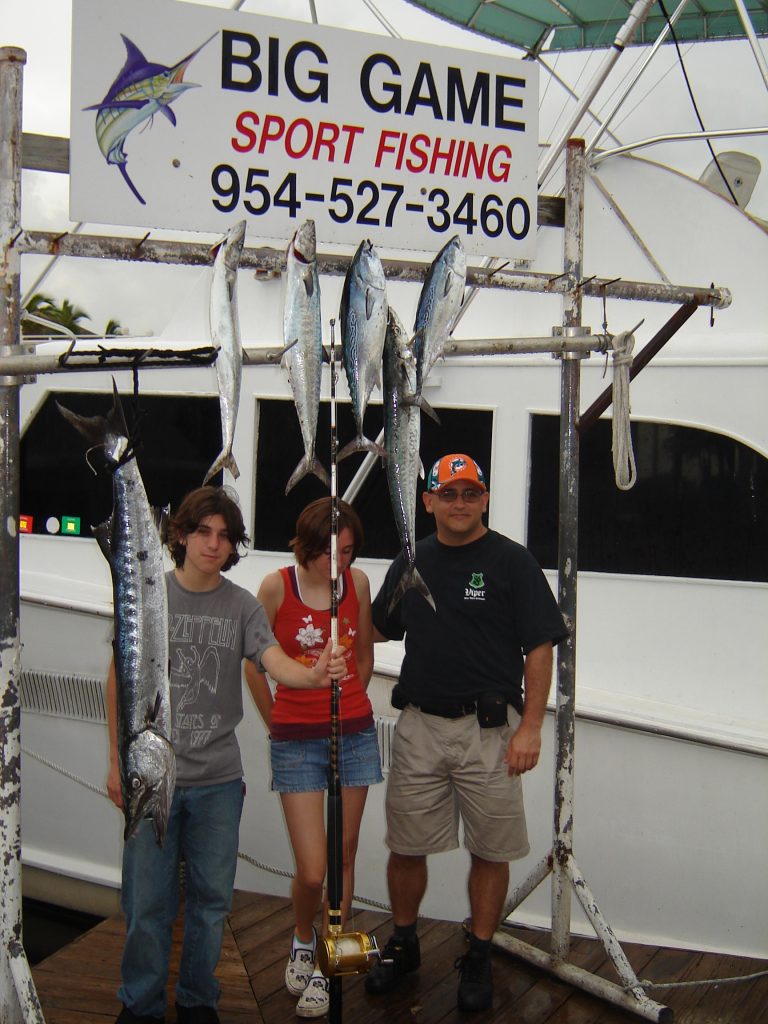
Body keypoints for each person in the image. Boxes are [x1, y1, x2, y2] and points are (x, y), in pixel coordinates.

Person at [107, 486, 346, 1024]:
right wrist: (114, 761)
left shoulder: (241, 605)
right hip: (151, 778)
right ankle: (140, 1005)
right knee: (146, 904)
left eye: (224, 536)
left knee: (213, 903)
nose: (213, 545)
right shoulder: (150, 594)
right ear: (181, 536)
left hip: (218, 781)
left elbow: (270, 659)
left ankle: (197, 1001)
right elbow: (118, 680)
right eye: (202, 532)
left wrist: (310, 675)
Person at [364, 454, 568, 1013]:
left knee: (490, 850)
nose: (459, 503)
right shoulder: (412, 559)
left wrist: (530, 727)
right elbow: (376, 628)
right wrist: (325, 588)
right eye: (447, 493)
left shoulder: (512, 562)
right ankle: (404, 945)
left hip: (490, 733)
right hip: (420, 728)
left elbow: (541, 646)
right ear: (427, 501)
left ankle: (478, 952)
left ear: (484, 500)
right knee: (406, 847)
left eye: (469, 493)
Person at [245, 497, 383, 1019]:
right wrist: (276, 718)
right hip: (296, 737)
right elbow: (254, 664)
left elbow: (364, 652)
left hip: (352, 732)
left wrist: (353, 700)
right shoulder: (277, 585)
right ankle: (303, 937)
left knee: (343, 858)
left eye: (348, 552)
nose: (339, 563)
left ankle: (328, 965)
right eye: (330, 552)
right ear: (306, 545)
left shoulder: (359, 584)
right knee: (310, 869)